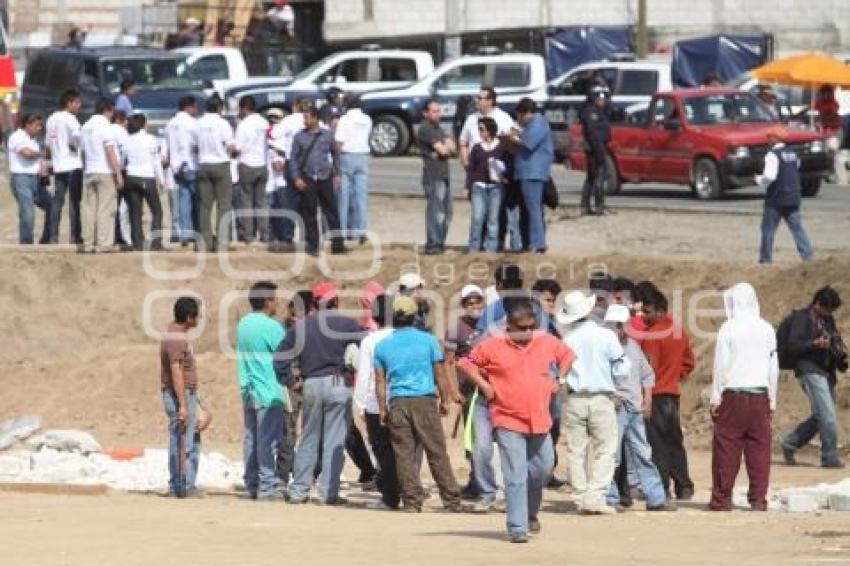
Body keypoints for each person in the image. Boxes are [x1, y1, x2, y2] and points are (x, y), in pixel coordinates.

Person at [459, 297, 575, 543]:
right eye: (521, 328)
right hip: (507, 419)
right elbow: (465, 363)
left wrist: (560, 380)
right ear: (508, 326)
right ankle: (517, 527)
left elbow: (568, 355)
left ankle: (530, 513)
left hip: (540, 420)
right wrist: (484, 386)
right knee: (515, 474)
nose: (527, 333)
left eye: (530, 327)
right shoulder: (492, 345)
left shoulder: (545, 340)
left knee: (543, 469)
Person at [374, 296, 466, 513]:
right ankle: (451, 500)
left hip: (398, 402)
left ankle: (412, 501)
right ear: (415, 315)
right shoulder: (429, 341)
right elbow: (440, 373)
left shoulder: (382, 345)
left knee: (403, 454)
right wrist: (445, 400)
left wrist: (382, 410)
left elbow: (380, 383)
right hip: (424, 400)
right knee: (436, 452)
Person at [275, 282, 364, 504]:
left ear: (315, 302)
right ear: (335, 301)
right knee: (334, 441)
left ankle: (299, 491)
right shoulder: (346, 323)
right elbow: (368, 343)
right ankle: (327, 494)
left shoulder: (301, 327)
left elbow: (280, 357)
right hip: (337, 382)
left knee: (308, 438)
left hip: (311, 384)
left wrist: (290, 381)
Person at [708, 283, 778, 511]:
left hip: (733, 396)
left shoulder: (728, 328)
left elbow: (721, 366)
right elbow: (773, 367)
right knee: (759, 450)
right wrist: (772, 399)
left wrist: (715, 398)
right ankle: (758, 500)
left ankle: (721, 499)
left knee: (726, 448)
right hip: (760, 396)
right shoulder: (767, 328)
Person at [558, 290, 628, 515]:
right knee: (605, 448)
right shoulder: (606, 335)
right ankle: (595, 496)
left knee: (576, 451)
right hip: (601, 398)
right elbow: (621, 368)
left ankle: (579, 497)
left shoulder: (566, 340)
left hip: (575, 398)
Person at [603, 304, 677, 512]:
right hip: (614, 410)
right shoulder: (603, 348)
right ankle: (610, 498)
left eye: (622, 324)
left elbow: (647, 375)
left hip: (634, 410)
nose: (619, 329)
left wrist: (648, 401)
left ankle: (656, 498)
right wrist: (611, 397)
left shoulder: (634, 347)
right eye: (615, 325)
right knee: (612, 456)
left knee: (643, 454)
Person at [638, 285, 696, 500]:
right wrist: (673, 376)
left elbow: (647, 371)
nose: (644, 316)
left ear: (661, 311)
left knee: (657, 444)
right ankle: (684, 486)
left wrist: (646, 396)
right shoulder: (679, 331)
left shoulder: (653, 336)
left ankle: (662, 487)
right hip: (672, 395)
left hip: (655, 396)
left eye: (648, 311)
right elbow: (689, 363)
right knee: (674, 441)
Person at [781, 286, 848, 468]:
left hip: (826, 371)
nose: (829, 313)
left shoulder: (828, 320)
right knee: (827, 415)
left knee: (822, 415)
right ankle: (829, 457)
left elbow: (835, 342)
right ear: (818, 303)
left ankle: (789, 443)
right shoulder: (802, 318)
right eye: (828, 308)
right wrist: (814, 344)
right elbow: (793, 346)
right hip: (809, 369)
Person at [237, 281, 287, 500]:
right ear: (267, 301)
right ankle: (267, 487)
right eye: (275, 299)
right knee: (268, 441)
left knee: (252, 439)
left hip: (248, 388)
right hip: (269, 390)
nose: (277, 303)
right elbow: (286, 353)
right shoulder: (271, 327)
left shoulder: (243, 324)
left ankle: (252, 482)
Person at [354, 294, 399, 509]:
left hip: (374, 402)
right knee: (403, 449)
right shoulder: (401, 337)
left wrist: (360, 405)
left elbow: (363, 376)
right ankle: (407, 490)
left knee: (382, 450)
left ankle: (390, 496)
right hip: (400, 399)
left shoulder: (369, 341)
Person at [444, 284, 485, 497]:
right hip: (468, 392)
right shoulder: (455, 328)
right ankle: (475, 480)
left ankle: (488, 481)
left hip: (492, 392)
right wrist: (453, 390)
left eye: (478, 301)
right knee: (472, 438)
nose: (474, 305)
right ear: (463, 305)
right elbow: (448, 362)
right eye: (470, 302)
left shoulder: (493, 325)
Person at [289, 106, 346, 256]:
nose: (304, 121)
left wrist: (337, 174)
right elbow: (293, 159)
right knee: (309, 213)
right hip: (308, 178)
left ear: (315, 118)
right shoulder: (299, 137)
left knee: (331, 211)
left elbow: (336, 154)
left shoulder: (327, 135)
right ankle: (313, 245)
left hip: (324, 176)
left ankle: (338, 245)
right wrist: (296, 177)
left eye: (307, 118)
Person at [161, 296, 202, 497]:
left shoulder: (177, 335)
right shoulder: (176, 338)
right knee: (181, 439)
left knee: (184, 437)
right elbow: (176, 371)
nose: (199, 319)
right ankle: (180, 485)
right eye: (197, 315)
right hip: (181, 393)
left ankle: (182, 484)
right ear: (188, 317)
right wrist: (183, 405)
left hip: (185, 392)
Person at [756, 126, 814, 264]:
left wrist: (758, 180)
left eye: (769, 137)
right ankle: (808, 257)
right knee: (797, 228)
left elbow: (770, 176)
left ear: (775, 138)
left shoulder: (772, 155)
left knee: (768, 230)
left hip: (776, 198)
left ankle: (765, 259)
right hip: (793, 197)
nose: (767, 140)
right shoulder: (793, 154)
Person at [531, 279, 566, 488]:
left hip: (553, 383)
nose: (551, 305)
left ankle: (548, 470)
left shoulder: (554, 323)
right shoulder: (529, 322)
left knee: (554, 426)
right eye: (548, 300)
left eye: (554, 301)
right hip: (536, 382)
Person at [277, 289, 314, 484]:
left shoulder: (308, 329)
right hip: (292, 386)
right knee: (289, 433)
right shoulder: (283, 328)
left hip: (304, 385)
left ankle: (301, 474)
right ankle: (284, 476)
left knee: (304, 432)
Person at [509, 98, 553, 254]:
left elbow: (529, 142)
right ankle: (533, 242)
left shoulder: (538, 122)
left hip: (532, 172)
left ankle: (538, 243)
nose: (519, 120)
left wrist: (513, 136)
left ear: (526, 113)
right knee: (530, 209)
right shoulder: (532, 124)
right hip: (527, 172)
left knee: (533, 209)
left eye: (520, 116)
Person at [79, 98, 123, 253]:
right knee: (106, 208)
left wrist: (86, 168)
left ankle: (88, 242)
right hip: (105, 171)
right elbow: (109, 150)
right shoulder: (105, 126)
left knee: (89, 209)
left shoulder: (86, 126)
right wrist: (118, 172)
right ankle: (104, 243)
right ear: (108, 110)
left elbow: (83, 152)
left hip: (90, 170)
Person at [195, 96, 236, 252]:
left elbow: (194, 144)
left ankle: (205, 243)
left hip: (204, 164)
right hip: (220, 164)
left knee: (205, 206)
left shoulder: (199, 123)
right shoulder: (223, 123)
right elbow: (230, 145)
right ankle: (222, 243)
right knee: (224, 205)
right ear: (220, 108)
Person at [417, 99, 455, 255]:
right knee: (436, 212)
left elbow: (452, 148)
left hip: (444, 174)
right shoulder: (425, 129)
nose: (438, 114)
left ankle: (440, 242)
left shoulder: (438, 128)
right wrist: (443, 147)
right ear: (425, 113)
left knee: (447, 212)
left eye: (439, 111)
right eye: (434, 111)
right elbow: (444, 151)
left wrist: (445, 147)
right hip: (433, 176)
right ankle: (433, 245)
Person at [45, 89, 83, 244]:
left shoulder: (51, 119)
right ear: (69, 103)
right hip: (73, 164)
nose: (79, 106)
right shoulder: (71, 119)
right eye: (77, 103)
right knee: (74, 203)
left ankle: (53, 236)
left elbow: (48, 143)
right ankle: (75, 236)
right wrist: (75, 146)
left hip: (58, 164)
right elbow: (78, 138)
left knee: (57, 202)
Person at [465, 116, 509, 253]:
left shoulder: (501, 148)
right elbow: (471, 169)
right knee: (477, 218)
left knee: (493, 219)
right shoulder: (477, 148)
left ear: (489, 130)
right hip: (479, 186)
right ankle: (474, 247)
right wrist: (467, 186)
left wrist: (503, 175)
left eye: (482, 129)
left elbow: (507, 166)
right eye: (479, 129)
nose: (480, 132)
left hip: (495, 187)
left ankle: (491, 248)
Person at [124, 113, 165, 251]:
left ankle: (137, 243)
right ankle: (155, 243)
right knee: (157, 211)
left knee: (135, 211)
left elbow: (124, 160)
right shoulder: (151, 139)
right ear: (143, 124)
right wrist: (161, 179)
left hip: (131, 177)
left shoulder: (127, 140)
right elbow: (156, 161)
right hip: (146, 177)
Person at [335, 93, 373, 243]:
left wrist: (336, 161)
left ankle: (343, 231)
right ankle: (361, 230)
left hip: (347, 155)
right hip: (362, 155)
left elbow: (339, 141)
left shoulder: (344, 120)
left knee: (343, 196)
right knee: (361, 196)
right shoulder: (367, 119)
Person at [8, 114, 50, 245]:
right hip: (21, 179)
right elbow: (27, 154)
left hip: (36, 179)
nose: (39, 128)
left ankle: (46, 239)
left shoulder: (35, 140)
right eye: (37, 125)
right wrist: (43, 153)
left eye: (40, 125)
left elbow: (37, 160)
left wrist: (45, 172)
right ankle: (26, 244)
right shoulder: (17, 136)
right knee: (28, 213)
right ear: (27, 124)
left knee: (52, 206)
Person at [234, 96, 270, 244]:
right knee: (261, 202)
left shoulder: (243, 125)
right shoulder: (264, 122)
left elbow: (238, 147)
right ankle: (265, 233)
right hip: (261, 163)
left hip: (247, 163)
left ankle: (249, 235)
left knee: (246, 201)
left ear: (244, 108)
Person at [165, 96, 199, 246]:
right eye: (195, 107)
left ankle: (186, 233)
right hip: (190, 164)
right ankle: (198, 231)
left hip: (176, 166)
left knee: (183, 200)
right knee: (198, 200)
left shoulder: (171, 124)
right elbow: (196, 144)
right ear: (189, 107)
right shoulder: (192, 123)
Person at [458, 87, 515, 168]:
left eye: (480, 98)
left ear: (490, 101)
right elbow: (463, 142)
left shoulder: (504, 118)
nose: (476, 101)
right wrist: (466, 163)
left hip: (496, 167)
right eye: (477, 97)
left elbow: (511, 141)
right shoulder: (471, 119)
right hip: (475, 167)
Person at [579, 85, 612, 216]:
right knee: (597, 177)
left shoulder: (600, 111)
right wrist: (599, 151)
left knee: (593, 177)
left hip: (599, 146)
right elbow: (592, 134)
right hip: (594, 149)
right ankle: (598, 205)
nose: (603, 101)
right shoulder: (591, 112)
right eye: (600, 98)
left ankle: (586, 205)